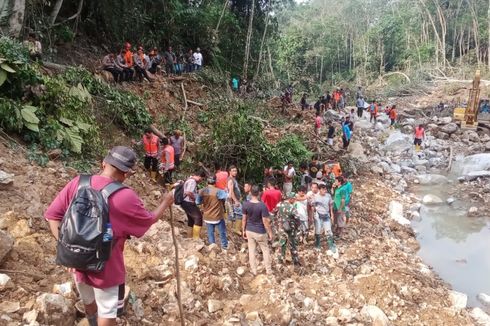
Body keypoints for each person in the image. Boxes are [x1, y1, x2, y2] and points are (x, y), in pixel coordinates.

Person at [45, 146, 173, 326]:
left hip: (77, 262)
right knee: (107, 313)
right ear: (127, 173)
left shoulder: (78, 183)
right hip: (106, 267)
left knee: (89, 304)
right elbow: (148, 221)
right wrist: (166, 202)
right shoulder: (126, 196)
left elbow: (52, 216)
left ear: (103, 163)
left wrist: (68, 250)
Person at [242, 185, 273, 275]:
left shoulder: (245, 204)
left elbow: (244, 219)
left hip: (249, 230)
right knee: (265, 250)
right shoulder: (262, 206)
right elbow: (265, 221)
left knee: (251, 250)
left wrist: (243, 230)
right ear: (259, 193)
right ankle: (268, 270)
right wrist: (270, 233)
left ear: (250, 193)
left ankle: (254, 270)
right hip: (260, 231)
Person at [196, 177, 228, 249]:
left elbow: (197, 202)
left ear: (207, 182)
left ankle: (212, 246)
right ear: (215, 182)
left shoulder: (202, 191)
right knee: (222, 232)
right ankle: (224, 246)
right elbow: (226, 197)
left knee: (210, 233)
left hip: (207, 216)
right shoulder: (219, 191)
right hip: (217, 216)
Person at [312, 184, 337, 256]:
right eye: (323, 190)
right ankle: (317, 244)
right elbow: (313, 206)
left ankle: (331, 245)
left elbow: (330, 205)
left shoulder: (328, 196)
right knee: (318, 230)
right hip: (318, 215)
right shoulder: (315, 197)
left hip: (326, 215)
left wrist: (332, 214)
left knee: (329, 230)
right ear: (319, 190)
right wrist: (312, 216)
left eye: (325, 189)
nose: (325, 191)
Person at [276, 193, 300, 265]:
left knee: (282, 243)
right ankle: (295, 260)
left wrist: (277, 222)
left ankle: (280, 260)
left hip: (281, 227)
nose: (295, 200)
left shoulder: (279, 205)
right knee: (292, 244)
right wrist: (297, 227)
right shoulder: (292, 207)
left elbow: (273, 213)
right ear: (291, 199)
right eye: (294, 199)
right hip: (290, 229)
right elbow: (297, 218)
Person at [182, 170, 207, 239]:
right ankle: (196, 238)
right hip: (188, 202)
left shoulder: (189, 179)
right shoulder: (192, 182)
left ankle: (189, 237)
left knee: (191, 220)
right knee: (198, 218)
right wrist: (194, 198)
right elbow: (188, 192)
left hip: (185, 202)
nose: (201, 181)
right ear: (199, 176)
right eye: (202, 179)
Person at [227, 165, 243, 234]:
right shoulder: (230, 180)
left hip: (233, 201)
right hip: (233, 201)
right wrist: (236, 201)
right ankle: (236, 229)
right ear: (229, 172)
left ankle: (230, 231)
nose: (235, 172)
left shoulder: (233, 179)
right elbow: (231, 191)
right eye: (233, 171)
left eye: (236, 171)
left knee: (231, 215)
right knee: (239, 214)